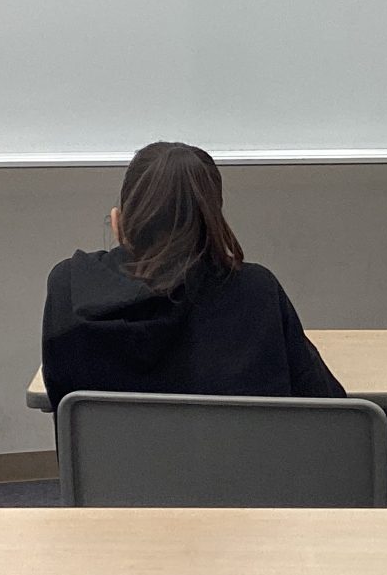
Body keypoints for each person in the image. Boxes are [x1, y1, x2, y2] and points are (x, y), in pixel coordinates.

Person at [42, 141, 345, 410]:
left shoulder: (69, 288)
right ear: (212, 220)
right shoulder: (256, 292)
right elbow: (328, 409)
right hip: (239, 460)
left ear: (117, 222)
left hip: (115, 461)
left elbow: (62, 397)